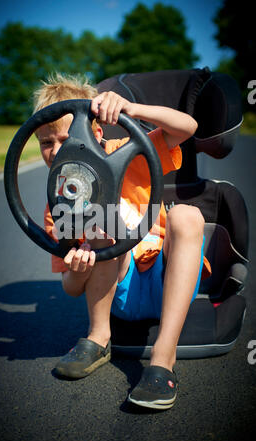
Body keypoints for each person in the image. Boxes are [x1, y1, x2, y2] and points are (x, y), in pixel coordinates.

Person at [33, 72, 211, 410]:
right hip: (119, 290)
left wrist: (133, 109)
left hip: (166, 278)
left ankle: (163, 357)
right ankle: (99, 336)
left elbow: (186, 128)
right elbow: (71, 287)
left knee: (187, 216)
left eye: (66, 137)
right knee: (102, 226)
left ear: (95, 132)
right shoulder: (58, 203)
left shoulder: (126, 151)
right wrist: (80, 267)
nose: (57, 150)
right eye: (46, 142)